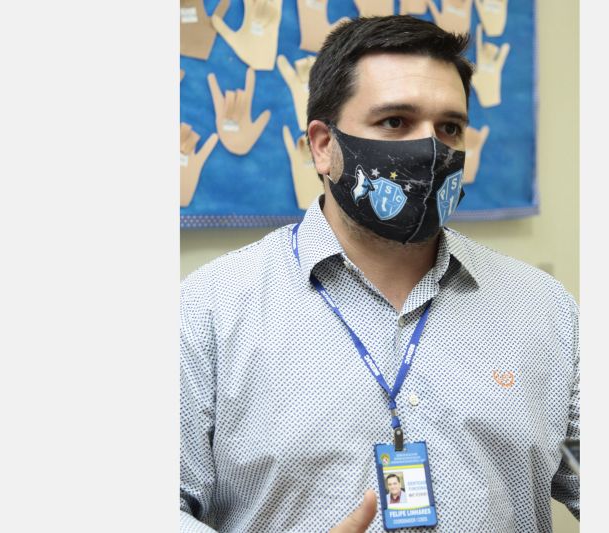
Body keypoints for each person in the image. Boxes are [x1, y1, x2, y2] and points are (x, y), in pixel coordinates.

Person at [180, 15, 579, 533]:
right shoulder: (210, 311)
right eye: (395, 122)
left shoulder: (543, 309)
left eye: (449, 128)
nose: (431, 149)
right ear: (323, 146)